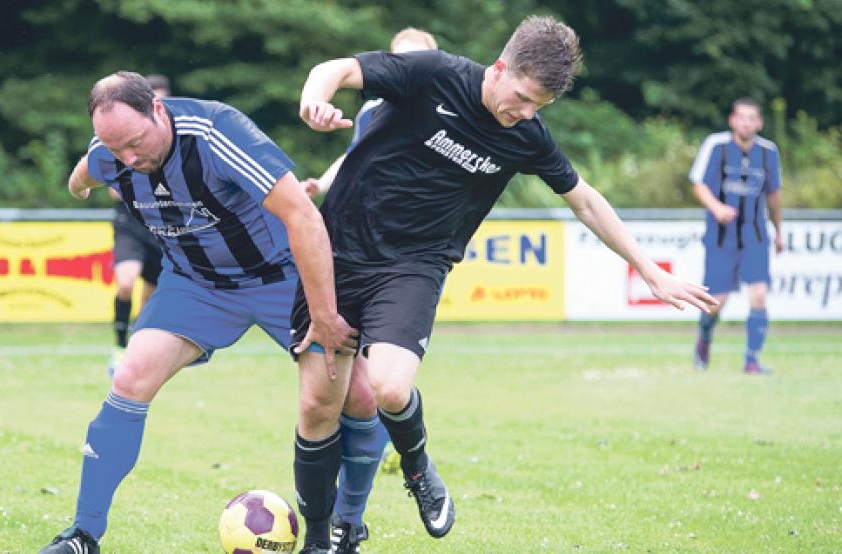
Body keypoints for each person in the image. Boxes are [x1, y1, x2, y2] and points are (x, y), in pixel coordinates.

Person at [289, 15, 719, 553]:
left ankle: (417, 468)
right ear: (499, 68)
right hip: (337, 253)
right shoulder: (432, 74)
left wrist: (650, 270)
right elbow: (336, 68)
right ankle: (319, 540)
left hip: (415, 265)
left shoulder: (526, 136)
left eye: (539, 107)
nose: (525, 113)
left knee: (390, 387)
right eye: (521, 97)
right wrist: (315, 101)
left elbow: (585, 200)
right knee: (317, 407)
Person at [38, 71, 356, 554]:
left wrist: (325, 312)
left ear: (159, 112)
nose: (129, 159)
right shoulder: (113, 153)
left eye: (136, 143)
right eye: (114, 148)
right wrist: (81, 182)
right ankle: (82, 535)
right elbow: (83, 173)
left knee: (354, 400)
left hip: (280, 279)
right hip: (197, 286)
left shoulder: (218, 134)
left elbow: (304, 216)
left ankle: (342, 529)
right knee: (129, 378)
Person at [298, 26, 437, 554]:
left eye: (418, 65)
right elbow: (356, 157)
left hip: (398, 268)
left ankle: (348, 521)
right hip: (343, 257)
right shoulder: (376, 110)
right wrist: (322, 182)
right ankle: (330, 521)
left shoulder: (445, 119)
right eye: (397, 64)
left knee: (368, 392)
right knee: (325, 401)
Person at [689, 98, 783, 375]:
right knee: (716, 302)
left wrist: (779, 231)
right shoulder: (716, 146)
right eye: (741, 117)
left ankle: (752, 361)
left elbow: (774, 195)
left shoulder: (768, 152)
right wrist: (716, 207)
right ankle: (704, 341)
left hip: (755, 237)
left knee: (759, 295)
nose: (746, 122)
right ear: (732, 120)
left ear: (759, 123)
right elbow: (698, 184)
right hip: (721, 239)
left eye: (752, 118)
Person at [302, 28, 438, 197]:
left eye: (417, 60)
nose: (408, 68)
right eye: (400, 60)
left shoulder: (447, 114)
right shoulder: (371, 110)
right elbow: (352, 155)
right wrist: (321, 184)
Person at [106, 74, 170, 377]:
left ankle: (136, 349)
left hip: (159, 227)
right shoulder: (124, 138)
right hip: (130, 223)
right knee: (126, 282)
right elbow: (112, 188)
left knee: (152, 293)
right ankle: (118, 346)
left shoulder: (175, 143)